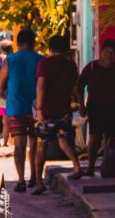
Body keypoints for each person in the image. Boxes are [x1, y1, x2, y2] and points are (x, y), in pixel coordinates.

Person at [0, 28, 41, 192]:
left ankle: (21, 179)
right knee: (35, 142)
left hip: (16, 106)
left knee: (20, 144)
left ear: (18, 43)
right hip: (37, 107)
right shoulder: (40, 59)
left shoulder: (10, 59)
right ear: (33, 42)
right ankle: (35, 176)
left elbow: (0, 85)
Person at [34, 34, 81, 190]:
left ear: (50, 48)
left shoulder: (44, 64)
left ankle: (39, 182)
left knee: (42, 145)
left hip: (47, 110)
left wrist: (39, 109)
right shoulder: (70, 65)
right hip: (64, 110)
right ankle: (76, 166)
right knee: (63, 140)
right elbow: (76, 87)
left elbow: (41, 85)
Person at [78, 38, 115, 177]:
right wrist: (81, 106)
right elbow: (79, 86)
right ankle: (90, 167)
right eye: (107, 51)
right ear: (101, 52)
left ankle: (107, 167)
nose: (110, 55)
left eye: (113, 53)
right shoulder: (91, 67)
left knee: (110, 138)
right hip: (96, 107)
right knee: (94, 137)